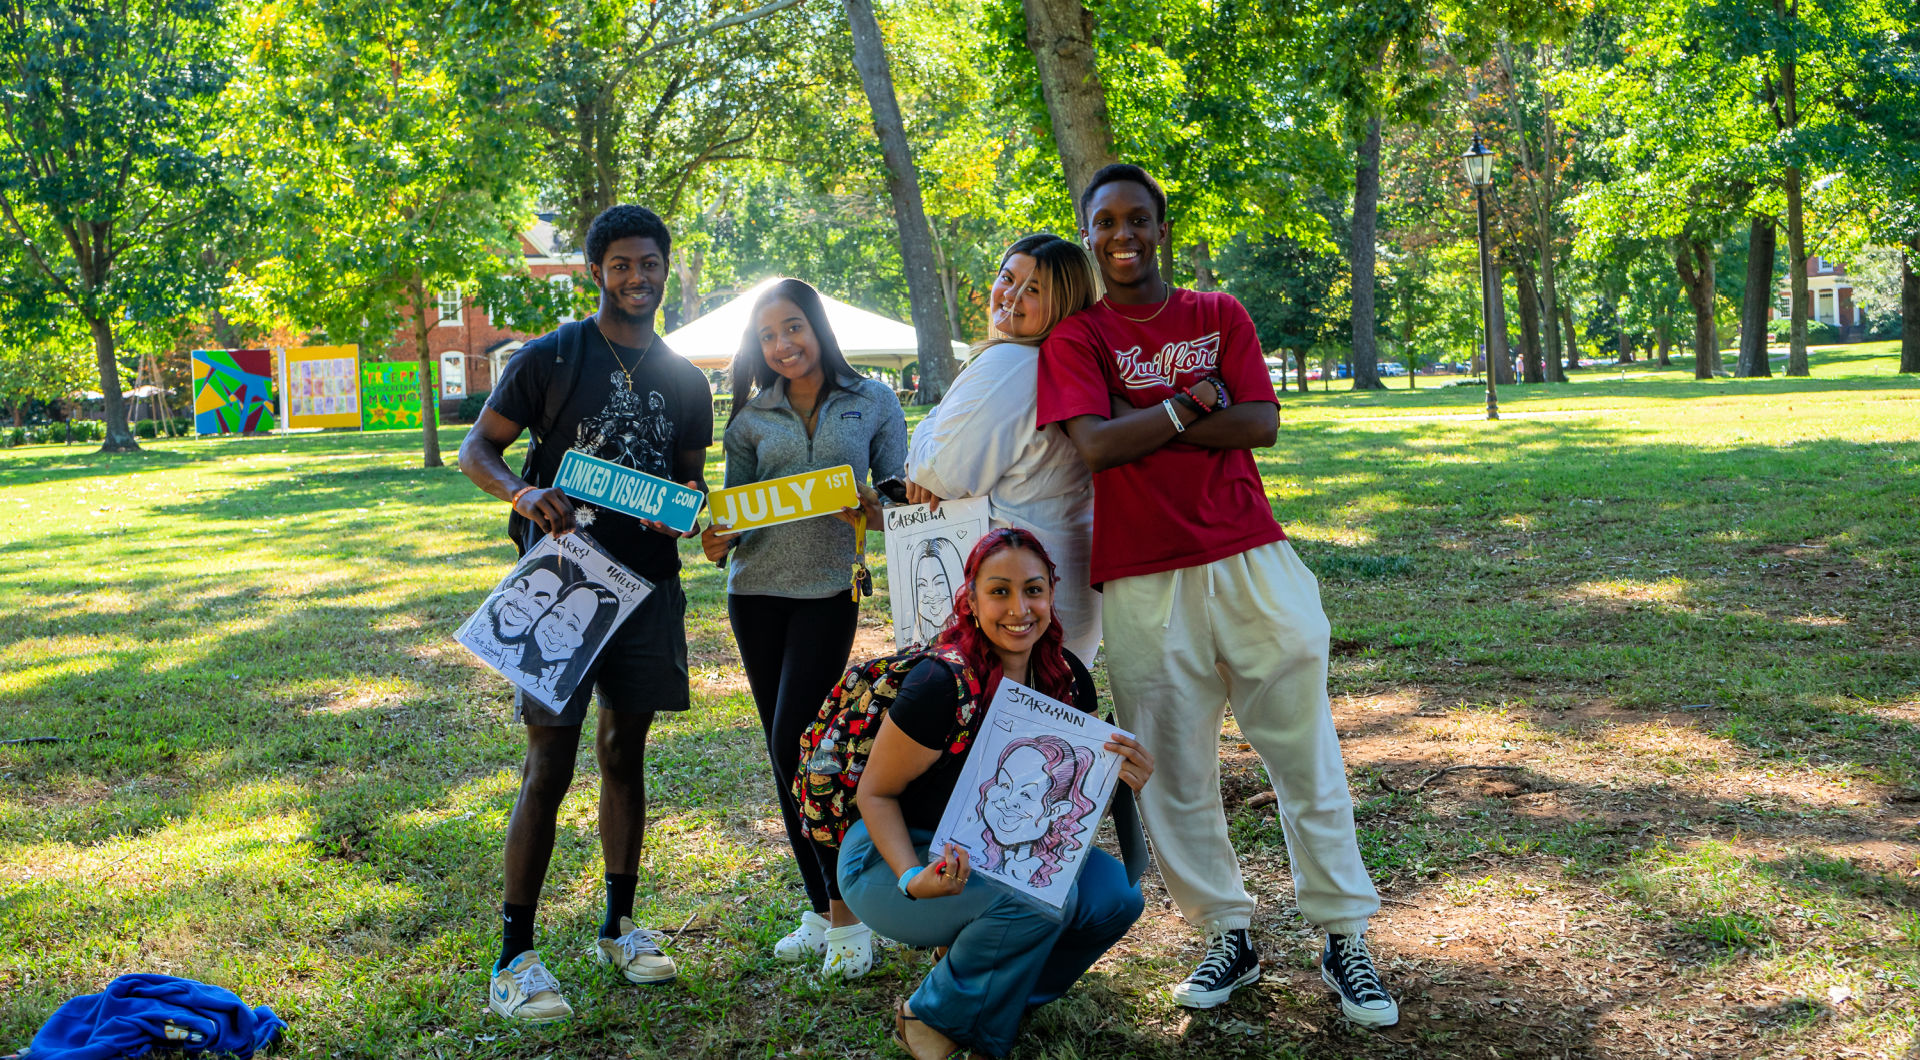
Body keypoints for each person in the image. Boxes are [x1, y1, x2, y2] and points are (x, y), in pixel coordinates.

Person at [1035, 164, 1400, 1025]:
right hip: (1140, 576)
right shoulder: (1077, 338)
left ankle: (1345, 936)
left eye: (1138, 220)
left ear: (1162, 227)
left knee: (1305, 752)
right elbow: (1096, 448)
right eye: (1105, 223)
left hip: (1251, 559)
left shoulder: (1218, 313)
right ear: (1088, 234)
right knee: (1172, 772)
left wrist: (1147, 416)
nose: (1122, 236)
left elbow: (1260, 423)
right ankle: (1224, 935)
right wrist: (1194, 403)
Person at [457, 204, 714, 1023]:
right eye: (623, 265)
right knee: (550, 762)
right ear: (598, 271)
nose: (639, 278)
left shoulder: (684, 377)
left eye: (652, 264)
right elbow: (478, 449)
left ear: (667, 268)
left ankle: (620, 926)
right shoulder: (555, 355)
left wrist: (680, 510)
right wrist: (525, 493)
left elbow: (687, 484)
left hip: (647, 590)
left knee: (624, 755)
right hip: (562, 580)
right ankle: (516, 952)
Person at [839, 528, 1155, 1060]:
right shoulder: (940, 685)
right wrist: (913, 879)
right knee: (1039, 902)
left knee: (1114, 900)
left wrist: (1118, 780)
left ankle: (987, 1002)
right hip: (891, 857)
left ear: (1053, 595)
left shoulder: (1067, 678)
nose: (1019, 608)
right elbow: (876, 795)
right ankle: (929, 1018)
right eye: (999, 591)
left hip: (991, 853)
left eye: (1033, 590)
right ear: (972, 598)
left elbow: (1056, 811)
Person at [699, 278, 907, 978]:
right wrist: (717, 538)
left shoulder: (873, 401)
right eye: (767, 337)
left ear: (816, 325)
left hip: (828, 591)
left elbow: (903, 505)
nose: (782, 345)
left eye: (792, 328)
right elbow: (733, 516)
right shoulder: (751, 418)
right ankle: (821, 910)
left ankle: (852, 918)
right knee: (784, 753)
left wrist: (869, 504)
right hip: (753, 594)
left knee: (803, 741)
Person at [903, 233, 1102, 662]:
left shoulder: (1011, 363)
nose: (1010, 296)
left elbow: (938, 475)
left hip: (1016, 598)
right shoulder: (1071, 366)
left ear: (1064, 303)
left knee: (1000, 725)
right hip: (1058, 588)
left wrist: (926, 427)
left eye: (1033, 289)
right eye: (1007, 278)